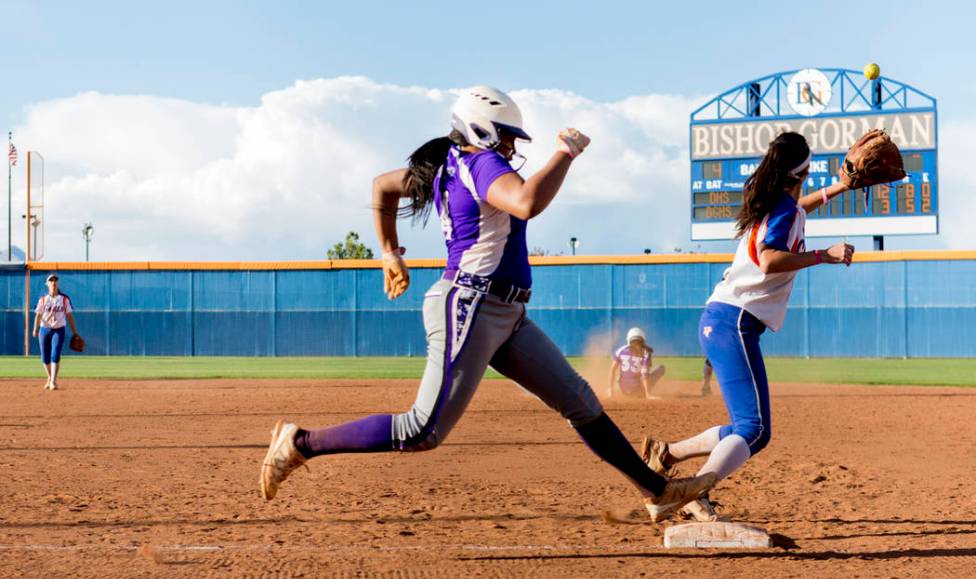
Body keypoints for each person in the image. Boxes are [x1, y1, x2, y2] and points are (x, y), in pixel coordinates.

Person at [260, 85, 714, 521]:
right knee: (421, 430)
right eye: (508, 136)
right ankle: (300, 443)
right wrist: (566, 152)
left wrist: (390, 253)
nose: (513, 147)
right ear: (482, 130)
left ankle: (658, 493)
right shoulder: (480, 165)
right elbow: (526, 202)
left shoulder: (450, 165)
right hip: (471, 306)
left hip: (505, 313)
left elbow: (382, 186)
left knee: (580, 402)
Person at [641, 131, 855, 522]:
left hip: (722, 319)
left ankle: (667, 453)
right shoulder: (783, 211)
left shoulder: (778, 204)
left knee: (744, 424)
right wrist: (825, 255)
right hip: (735, 322)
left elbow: (799, 210)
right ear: (804, 171)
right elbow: (770, 260)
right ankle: (689, 491)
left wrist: (839, 187)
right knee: (755, 430)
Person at [32, 274, 80, 390]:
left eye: (55, 280)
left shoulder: (64, 299)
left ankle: (53, 381)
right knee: (45, 357)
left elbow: (69, 316)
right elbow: (38, 316)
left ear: (58, 283)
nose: (53, 283)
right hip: (44, 330)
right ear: (47, 284)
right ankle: (49, 377)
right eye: (51, 281)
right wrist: (35, 329)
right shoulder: (43, 299)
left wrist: (75, 332)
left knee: (55, 354)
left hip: (59, 330)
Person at [607, 327, 665, 399]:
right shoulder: (645, 352)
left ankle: (616, 390)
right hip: (639, 391)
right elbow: (644, 374)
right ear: (643, 340)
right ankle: (645, 392)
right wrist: (648, 394)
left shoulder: (620, 350)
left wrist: (610, 390)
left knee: (620, 375)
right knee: (661, 368)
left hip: (623, 390)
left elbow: (612, 370)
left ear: (628, 339)